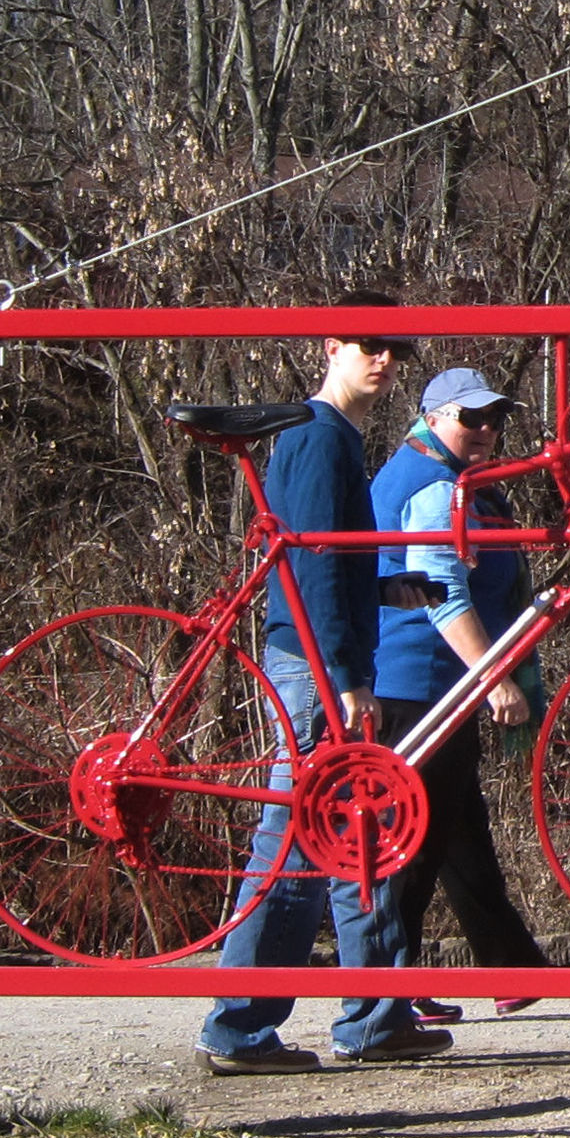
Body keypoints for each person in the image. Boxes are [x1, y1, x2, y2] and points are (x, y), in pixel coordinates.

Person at [198, 299, 449, 1074]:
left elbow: (330, 565)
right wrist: (344, 674)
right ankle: (240, 1024)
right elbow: (302, 569)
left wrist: (385, 587)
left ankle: (372, 1013)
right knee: (300, 840)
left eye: (392, 350)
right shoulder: (316, 437)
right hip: (312, 666)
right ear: (330, 347)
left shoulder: (338, 438)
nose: (382, 361)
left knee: (348, 833)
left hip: (323, 658)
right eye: (368, 346)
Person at [359, 365, 556, 1032]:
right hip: (415, 683)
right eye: (470, 418)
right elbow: (441, 593)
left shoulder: (454, 481)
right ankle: (391, 988)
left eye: (495, 419)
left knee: (453, 827)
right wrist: (492, 677)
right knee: (420, 836)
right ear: (433, 416)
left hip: (435, 681)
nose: (487, 431)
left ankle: (506, 969)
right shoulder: (428, 483)